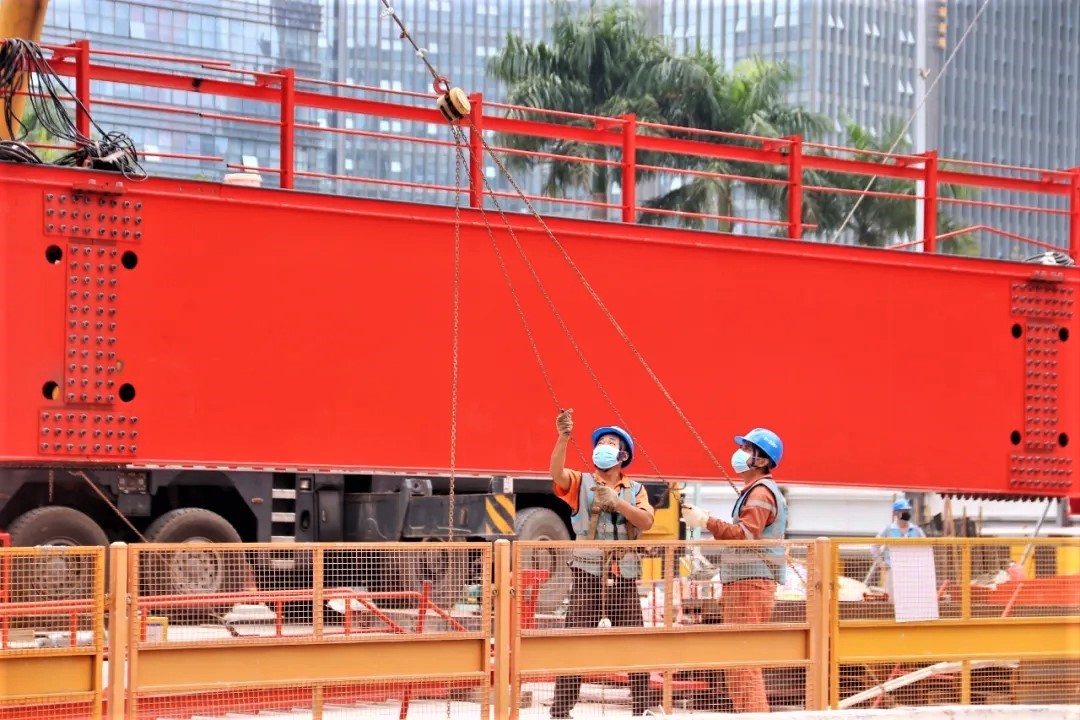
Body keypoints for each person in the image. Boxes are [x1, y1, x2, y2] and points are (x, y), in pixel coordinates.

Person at [549, 408, 654, 719]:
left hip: (623, 576)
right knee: (575, 644)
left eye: (610, 443)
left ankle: (643, 708)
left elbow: (646, 521)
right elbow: (556, 473)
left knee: (635, 645)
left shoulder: (636, 490)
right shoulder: (580, 482)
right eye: (601, 442)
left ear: (623, 455)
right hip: (587, 574)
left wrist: (617, 502)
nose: (603, 447)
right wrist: (563, 438)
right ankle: (560, 711)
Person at [680, 427, 787, 714]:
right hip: (746, 583)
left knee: (742, 662)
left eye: (748, 449)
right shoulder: (756, 491)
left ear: (762, 460)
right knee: (739, 662)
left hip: (750, 584)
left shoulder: (761, 493)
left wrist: (706, 521)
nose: (741, 453)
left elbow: (745, 535)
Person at [870, 498, 926, 595]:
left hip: (912, 570)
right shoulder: (888, 530)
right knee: (892, 597)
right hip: (893, 569)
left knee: (912, 596)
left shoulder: (916, 530)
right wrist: (880, 563)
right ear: (896, 513)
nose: (906, 513)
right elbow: (874, 546)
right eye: (903, 511)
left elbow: (926, 547)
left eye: (907, 511)